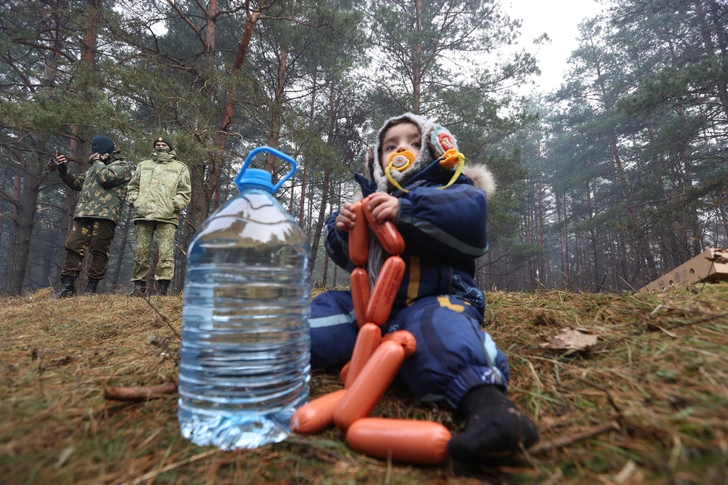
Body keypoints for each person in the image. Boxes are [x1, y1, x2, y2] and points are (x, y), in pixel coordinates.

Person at [310, 113, 539, 463]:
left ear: (435, 150)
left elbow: (468, 222)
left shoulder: (454, 188)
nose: (402, 148)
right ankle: (263, 352)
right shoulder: (367, 199)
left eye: (414, 142)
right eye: (391, 145)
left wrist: (405, 209)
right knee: (322, 315)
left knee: (442, 332)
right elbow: (347, 258)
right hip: (372, 308)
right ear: (377, 159)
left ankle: (491, 410)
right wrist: (343, 230)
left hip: (434, 300)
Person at [49, 136, 136, 297]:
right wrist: (63, 169)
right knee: (72, 246)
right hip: (84, 213)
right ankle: (68, 286)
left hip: (106, 215)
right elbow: (76, 183)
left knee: (99, 250)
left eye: (98, 152)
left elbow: (107, 178)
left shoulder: (122, 166)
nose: (95, 155)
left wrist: (97, 162)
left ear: (108, 151)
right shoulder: (93, 169)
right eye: (94, 153)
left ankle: (91, 288)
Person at [127, 136, 191, 296]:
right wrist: (136, 201)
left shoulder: (180, 168)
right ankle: (139, 288)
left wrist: (173, 205)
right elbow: (133, 186)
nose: (161, 147)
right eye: (158, 145)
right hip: (143, 214)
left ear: (170, 147)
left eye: (164, 145)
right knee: (141, 253)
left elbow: (185, 192)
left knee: (165, 254)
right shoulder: (143, 165)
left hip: (167, 216)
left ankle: (162, 289)